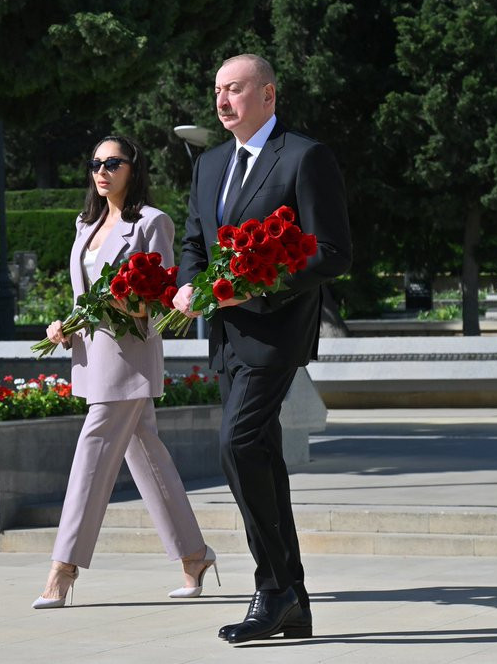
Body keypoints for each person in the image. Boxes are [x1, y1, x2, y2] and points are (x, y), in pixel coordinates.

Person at [173, 54, 352, 643]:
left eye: (235, 89)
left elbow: (331, 252)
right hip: (227, 334)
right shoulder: (210, 164)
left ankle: (272, 589)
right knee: (263, 459)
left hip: (277, 330)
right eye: (217, 90)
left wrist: (255, 285)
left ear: (268, 94)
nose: (222, 101)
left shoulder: (303, 156)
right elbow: (195, 241)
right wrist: (189, 285)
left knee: (237, 443)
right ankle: (293, 600)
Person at [33, 135, 218, 609]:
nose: (102, 170)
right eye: (95, 162)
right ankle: (194, 555)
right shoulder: (85, 223)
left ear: (133, 169)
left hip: (129, 356)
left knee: (93, 448)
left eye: (113, 162)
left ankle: (63, 567)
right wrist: (64, 325)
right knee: (145, 454)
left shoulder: (152, 222)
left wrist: (129, 305)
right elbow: (84, 296)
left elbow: (165, 300)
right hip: (92, 355)